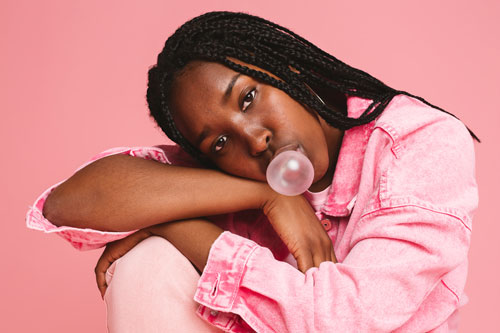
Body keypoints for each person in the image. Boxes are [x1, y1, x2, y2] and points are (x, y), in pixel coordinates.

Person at [26, 11, 479, 332]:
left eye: (247, 98)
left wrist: (171, 223)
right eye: (219, 143)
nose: (254, 140)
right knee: (146, 265)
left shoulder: (418, 141)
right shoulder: (238, 177)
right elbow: (69, 203)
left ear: (287, 68)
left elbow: (346, 321)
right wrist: (268, 196)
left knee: (159, 245)